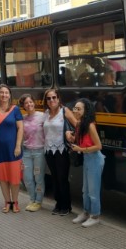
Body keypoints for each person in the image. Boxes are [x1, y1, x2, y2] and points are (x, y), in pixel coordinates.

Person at [67, 98, 105, 227]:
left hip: (94, 158)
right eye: (75, 108)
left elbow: (99, 146)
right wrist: (71, 137)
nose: (75, 110)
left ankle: (95, 216)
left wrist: (80, 149)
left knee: (93, 191)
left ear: (85, 111)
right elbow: (80, 140)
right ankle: (86, 212)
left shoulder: (90, 125)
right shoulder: (79, 124)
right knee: (85, 190)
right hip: (87, 158)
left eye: (79, 109)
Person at [0, 84, 23, 213]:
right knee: (2, 177)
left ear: (9, 95)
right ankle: (7, 202)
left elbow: (20, 128)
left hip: (13, 149)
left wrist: (18, 145)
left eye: (6, 93)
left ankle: (15, 202)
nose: (4, 95)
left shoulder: (15, 109)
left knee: (14, 177)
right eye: (1, 93)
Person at [43, 88, 76, 216]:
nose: (51, 100)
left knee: (62, 178)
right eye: (49, 98)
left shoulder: (65, 111)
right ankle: (58, 203)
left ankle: (66, 206)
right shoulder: (46, 113)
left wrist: (71, 135)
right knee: (54, 178)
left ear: (58, 98)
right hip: (48, 150)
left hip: (61, 149)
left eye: (54, 97)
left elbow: (76, 125)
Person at [19, 94, 46, 212]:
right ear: (23, 106)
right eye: (26, 103)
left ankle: (38, 201)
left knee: (38, 177)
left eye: (30, 102)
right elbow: (20, 136)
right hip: (26, 152)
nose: (29, 104)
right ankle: (32, 199)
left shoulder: (42, 116)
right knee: (27, 178)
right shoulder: (22, 118)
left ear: (34, 103)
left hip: (39, 152)